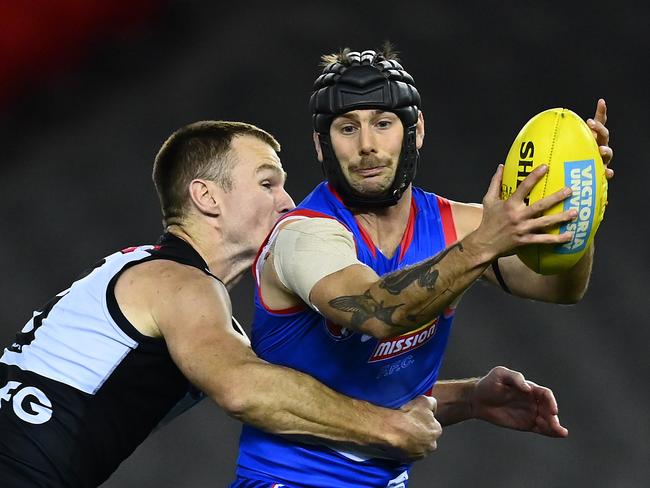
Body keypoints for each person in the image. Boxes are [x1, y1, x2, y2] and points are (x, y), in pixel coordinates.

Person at [231, 47, 614, 487]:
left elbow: (559, 287)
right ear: (322, 146)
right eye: (347, 128)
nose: (367, 145)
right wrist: (480, 247)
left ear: (416, 131)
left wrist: (583, 206)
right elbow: (380, 313)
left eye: (383, 123)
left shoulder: (455, 225)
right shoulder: (303, 236)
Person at [0, 121, 444, 488]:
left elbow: (311, 395)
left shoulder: (167, 287)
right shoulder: (177, 283)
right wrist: (385, 429)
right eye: (267, 182)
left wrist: (467, 400)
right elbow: (246, 390)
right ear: (207, 196)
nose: (288, 202)